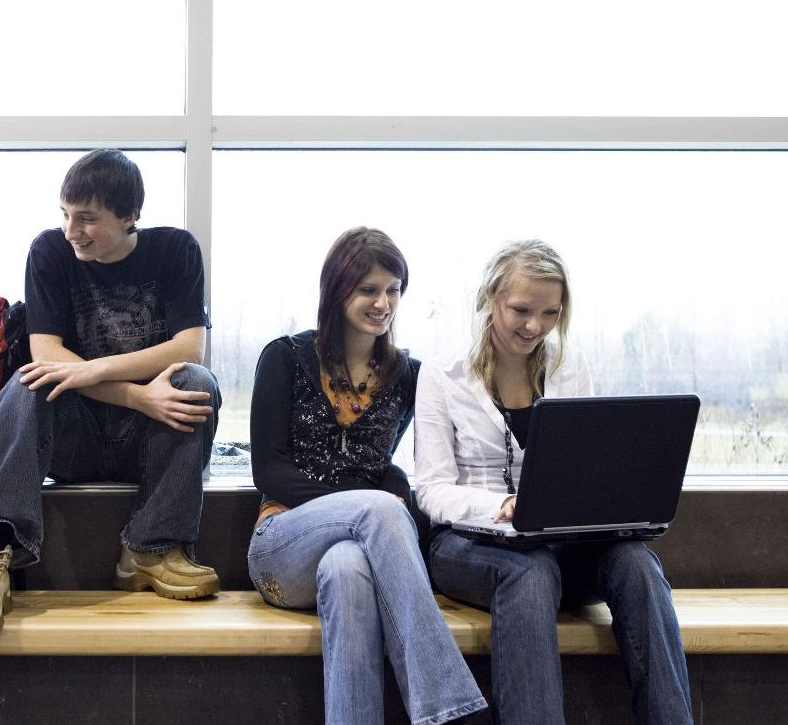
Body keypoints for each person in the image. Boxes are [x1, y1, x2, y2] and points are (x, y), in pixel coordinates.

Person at [413, 239, 693, 725]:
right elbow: (431, 489)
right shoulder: (442, 375)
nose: (533, 326)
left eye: (549, 313)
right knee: (530, 571)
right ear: (489, 299)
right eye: (521, 309)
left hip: (562, 545)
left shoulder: (569, 367)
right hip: (466, 545)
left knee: (638, 565)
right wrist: (501, 504)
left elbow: (583, 468)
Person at [0, 149, 222, 627]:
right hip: (77, 436)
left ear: (130, 215)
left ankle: (151, 548)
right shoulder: (50, 251)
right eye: (65, 215)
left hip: (149, 437)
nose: (72, 231)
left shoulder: (176, 250)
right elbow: (48, 356)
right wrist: (136, 395)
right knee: (28, 382)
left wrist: (93, 370)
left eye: (87, 219)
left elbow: (189, 349)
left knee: (197, 383)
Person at [247, 227, 487, 725]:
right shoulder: (285, 358)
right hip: (281, 544)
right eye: (369, 290)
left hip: (359, 550)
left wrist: (391, 490)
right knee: (377, 508)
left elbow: (423, 456)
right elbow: (267, 470)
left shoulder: (408, 374)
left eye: (393, 290)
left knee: (347, 569)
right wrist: (370, 499)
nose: (383, 303)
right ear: (338, 291)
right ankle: (447, 706)